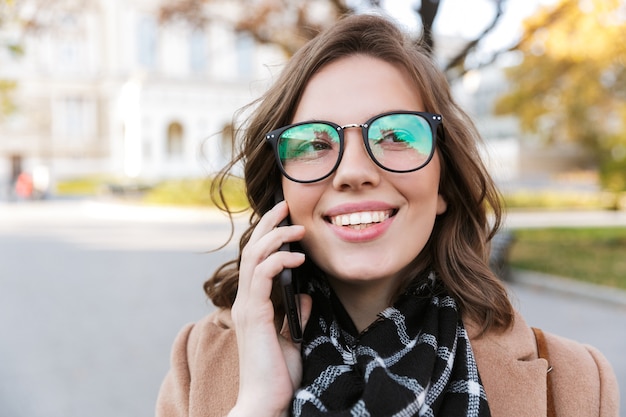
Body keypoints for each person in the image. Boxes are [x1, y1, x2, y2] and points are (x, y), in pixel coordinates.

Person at [156, 13, 619, 417]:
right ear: (280, 187)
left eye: (397, 136)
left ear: (444, 183)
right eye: (315, 144)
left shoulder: (576, 380)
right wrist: (259, 405)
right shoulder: (199, 361)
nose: (355, 172)